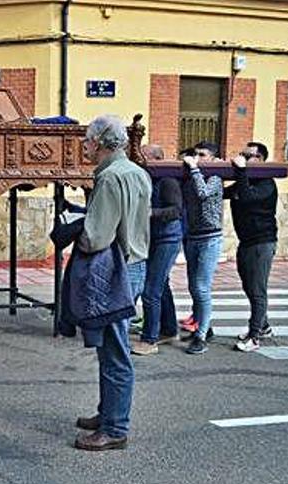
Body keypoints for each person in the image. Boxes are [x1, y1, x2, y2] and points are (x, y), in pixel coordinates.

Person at [73, 115, 151, 451]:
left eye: (88, 141)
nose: (85, 146)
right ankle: (108, 414)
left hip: (114, 269)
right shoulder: (137, 172)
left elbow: (96, 238)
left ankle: (115, 427)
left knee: (115, 351)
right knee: (112, 347)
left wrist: (74, 233)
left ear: (102, 143)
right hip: (135, 264)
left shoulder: (108, 179)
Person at [225, 142, 278, 352]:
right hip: (246, 241)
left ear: (261, 159)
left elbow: (246, 198)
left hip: (262, 242)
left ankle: (254, 336)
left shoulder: (266, 183)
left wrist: (240, 171)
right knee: (248, 286)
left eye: (249, 155)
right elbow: (225, 193)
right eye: (242, 154)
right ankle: (263, 326)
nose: (244, 158)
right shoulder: (244, 180)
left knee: (257, 290)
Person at [132, 145, 183, 356]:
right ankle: (169, 329)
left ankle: (149, 340)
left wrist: (150, 212)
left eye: (143, 156)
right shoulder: (149, 179)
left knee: (151, 289)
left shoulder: (168, 180)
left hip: (167, 239)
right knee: (162, 284)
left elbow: (175, 210)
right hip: (155, 238)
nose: (139, 160)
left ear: (156, 159)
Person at [180, 141, 224, 355]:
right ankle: (203, 325)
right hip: (193, 237)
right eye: (195, 154)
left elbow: (203, 194)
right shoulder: (191, 177)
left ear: (213, 159)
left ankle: (201, 336)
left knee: (201, 287)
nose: (197, 158)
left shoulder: (214, 178)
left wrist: (194, 169)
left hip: (210, 238)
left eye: (202, 154)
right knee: (193, 286)